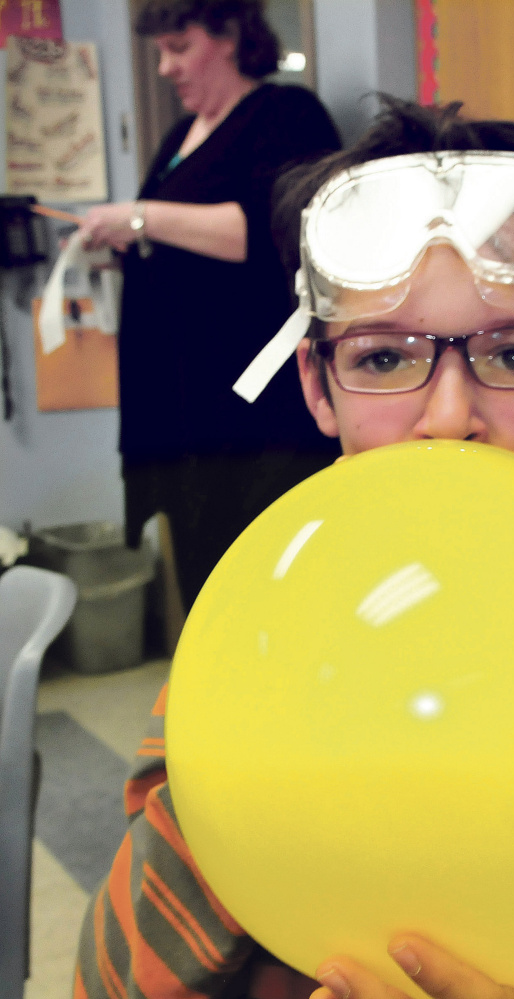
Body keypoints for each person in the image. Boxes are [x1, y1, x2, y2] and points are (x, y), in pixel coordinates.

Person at [73, 99, 514, 999]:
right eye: (382, 358)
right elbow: (108, 983)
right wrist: (256, 757)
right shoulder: (250, 637)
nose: (450, 416)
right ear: (318, 386)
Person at [78, 0, 341, 611]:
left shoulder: (286, 114)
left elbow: (269, 230)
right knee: (202, 572)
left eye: (178, 48)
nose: (166, 68)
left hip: (254, 412)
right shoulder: (178, 135)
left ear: (229, 35)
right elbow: (181, 245)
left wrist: (142, 218)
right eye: (160, 53)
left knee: (266, 581)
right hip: (181, 407)